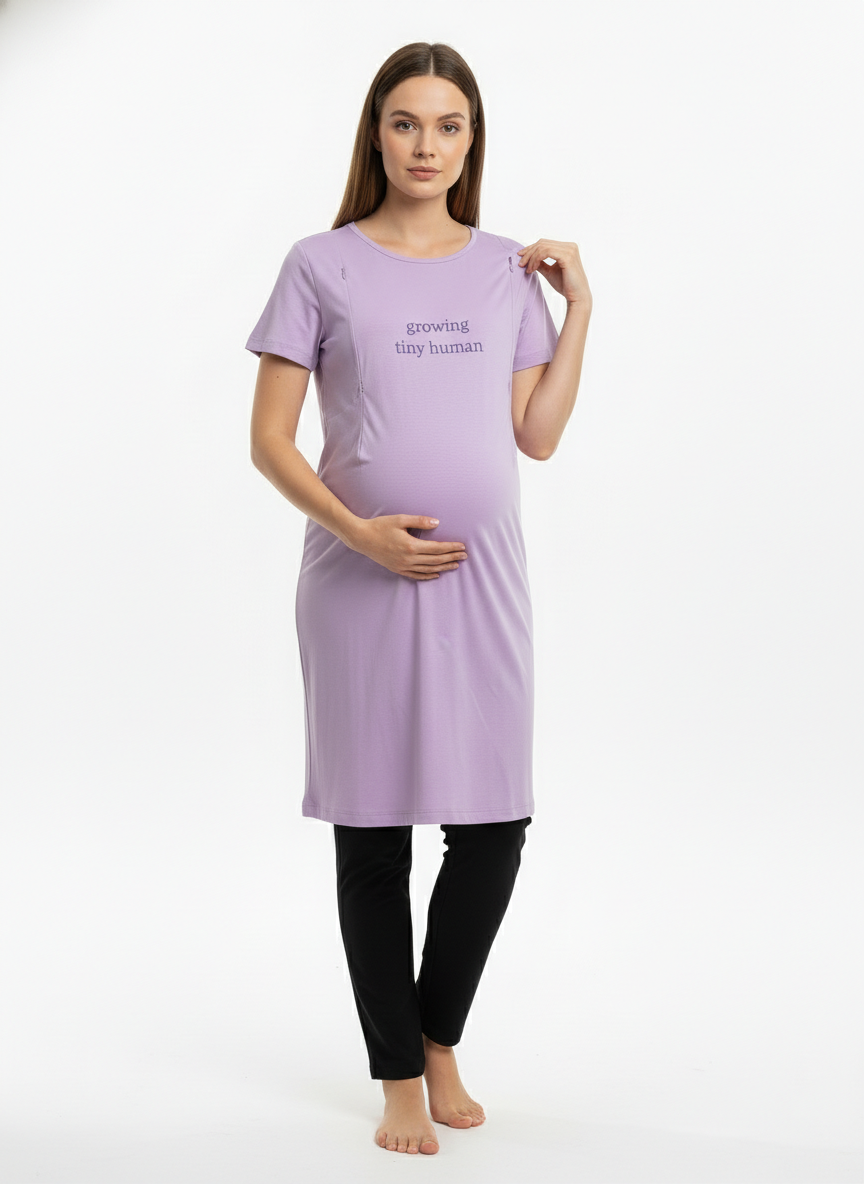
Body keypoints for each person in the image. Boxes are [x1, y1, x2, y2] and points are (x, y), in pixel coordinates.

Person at [244, 41, 592, 1156]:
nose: (426, 146)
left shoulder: (505, 270)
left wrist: (581, 308)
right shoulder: (320, 264)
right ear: (376, 134)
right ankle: (398, 1070)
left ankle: (439, 1035)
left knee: (494, 826)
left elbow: (536, 436)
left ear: (472, 139)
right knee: (375, 834)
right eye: (406, 123)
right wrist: (358, 532)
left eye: (448, 126)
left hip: (484, 584)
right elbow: (268, 439)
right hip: (357, 581)